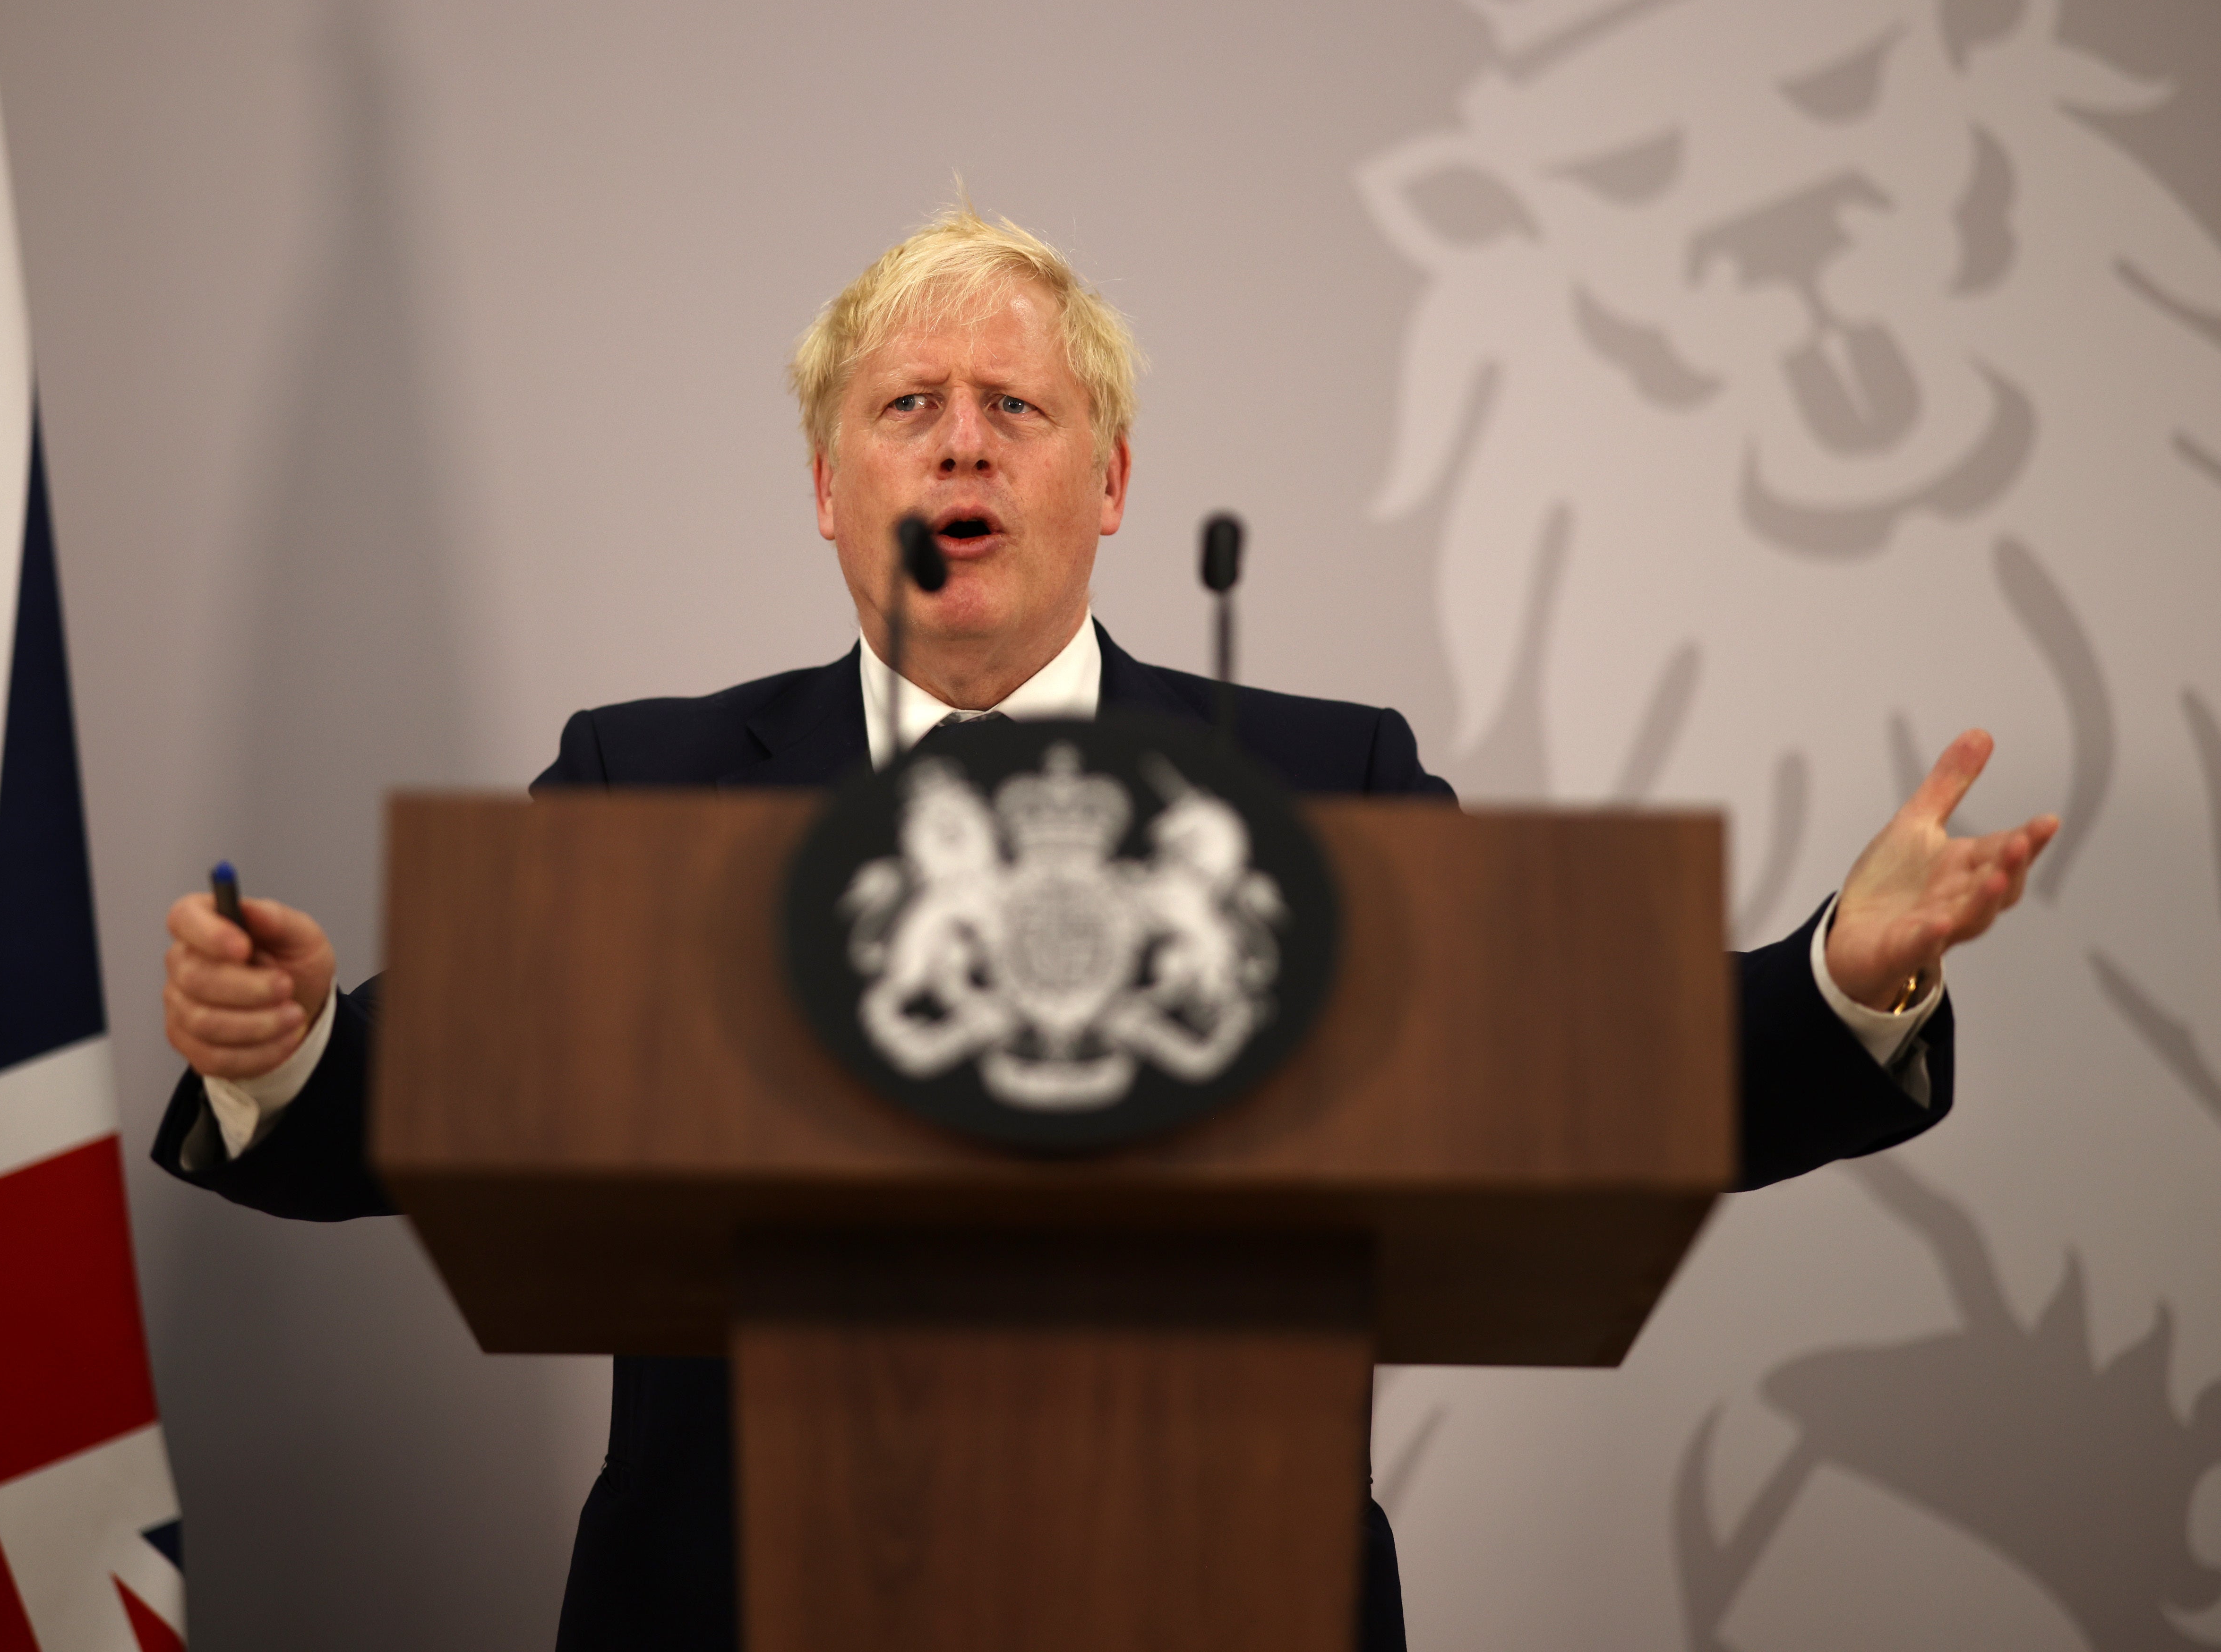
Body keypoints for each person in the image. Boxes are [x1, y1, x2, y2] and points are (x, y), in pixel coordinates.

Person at [152, 204, 2058, 1651]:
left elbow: (1569, 1072)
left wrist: (1836, 973)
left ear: (1113, 482)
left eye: (1016, 409)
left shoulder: (1321, 785)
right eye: (905, 408)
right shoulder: (649, 781)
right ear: (829, 490)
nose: (960, 447)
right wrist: (291, 1044)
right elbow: (448, 1083)